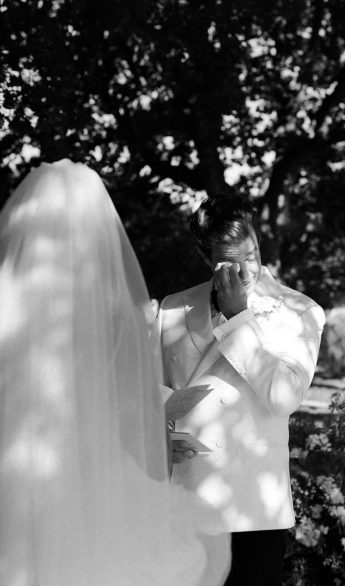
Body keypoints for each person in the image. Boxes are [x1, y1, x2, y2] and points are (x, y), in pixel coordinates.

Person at [0, 160, 229, 585]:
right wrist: (157, 438)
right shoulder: (112, 313)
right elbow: (127, 404)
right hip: (87, 473)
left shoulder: (7, 302)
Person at [156, 193, 326, 586]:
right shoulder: (171, 309)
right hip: (187, 497)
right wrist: (159, 434)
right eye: (230, 262)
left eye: (251, 254)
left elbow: (284, 397)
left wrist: (238, 318)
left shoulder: (301, 312)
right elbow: (152, 388)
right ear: (205, 257)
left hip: (254, 506)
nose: (246, 270)